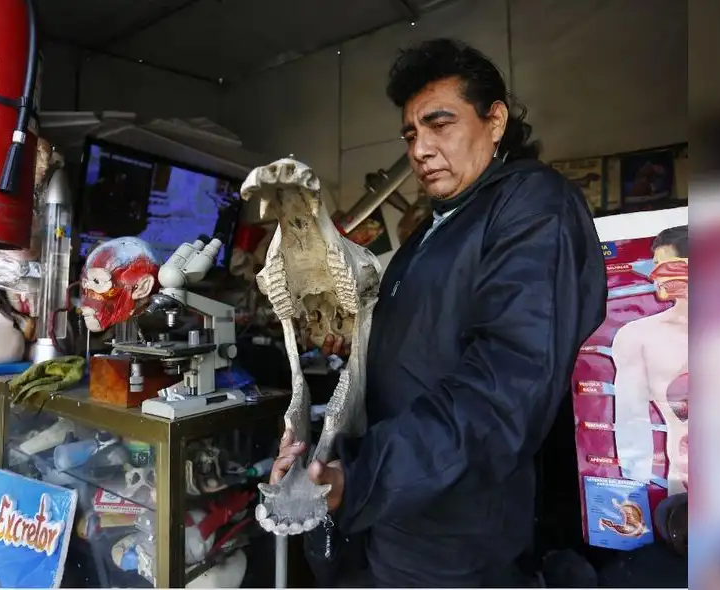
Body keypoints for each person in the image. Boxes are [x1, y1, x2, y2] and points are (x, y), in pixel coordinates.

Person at [270, 38, 607, 587]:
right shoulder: (429, 233)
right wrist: (355, 346)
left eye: (440, 124)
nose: (420, 148)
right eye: (410, 134)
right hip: (395, 514)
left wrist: (364, 476)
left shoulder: (533, 207)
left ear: (495, 120)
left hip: (458, 538)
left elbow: (506, 387)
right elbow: (421, 346)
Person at [613, 225, 689, 495]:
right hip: (686, 490)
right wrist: (636, 474)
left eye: (664, 267)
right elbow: (631, 414)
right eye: (653, 267)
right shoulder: (639, 336)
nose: (654, 277)